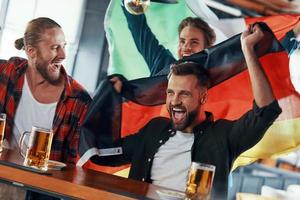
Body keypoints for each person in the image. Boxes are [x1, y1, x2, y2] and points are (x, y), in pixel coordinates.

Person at [96, 24, 282, 199]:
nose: (175, 101)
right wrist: (110, 100)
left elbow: (266, 111)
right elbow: (106, 154)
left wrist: (248, 50)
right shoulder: (154, 129)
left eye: (184, 94)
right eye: (170, 93)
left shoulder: (223, 136)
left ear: (202, 97)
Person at [0, 17, 91, 164]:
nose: (63, 55)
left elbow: (76, 168)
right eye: (55, 48)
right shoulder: (8, 72)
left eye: (64, 46)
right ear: (31, 51)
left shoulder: (79, 101)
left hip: (41, 184)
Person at [121, 2, 216, 76]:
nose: (186, 47)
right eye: (182, 41)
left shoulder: (217, 78)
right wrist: (133, 3)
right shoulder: (162, 63)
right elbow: (139, 29)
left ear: (207, 48)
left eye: (194, 42)